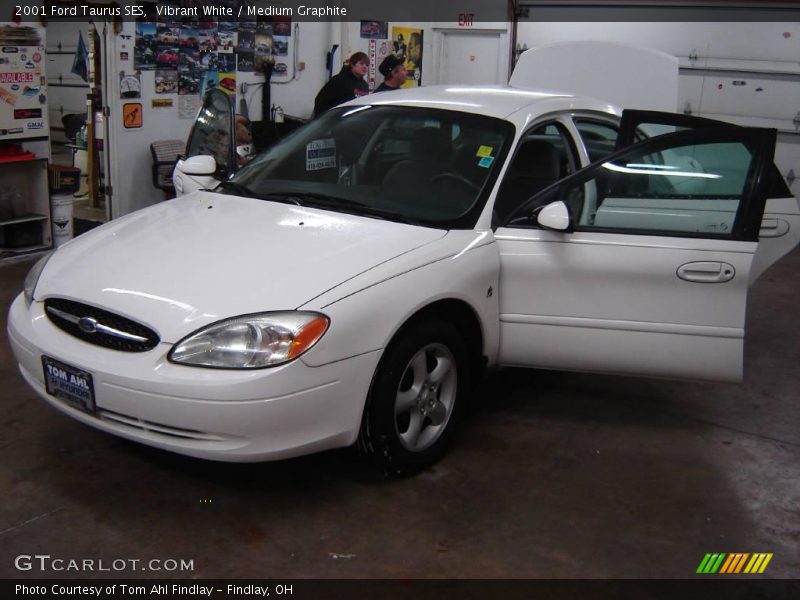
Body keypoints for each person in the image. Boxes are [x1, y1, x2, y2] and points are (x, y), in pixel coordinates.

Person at [313, 52, 369, 117]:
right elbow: (321, 101)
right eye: (361, 64)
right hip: (337, 121)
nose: (365, 67)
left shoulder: (365, 85)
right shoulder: (338, 80)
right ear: (352, 65)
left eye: (367, 65)